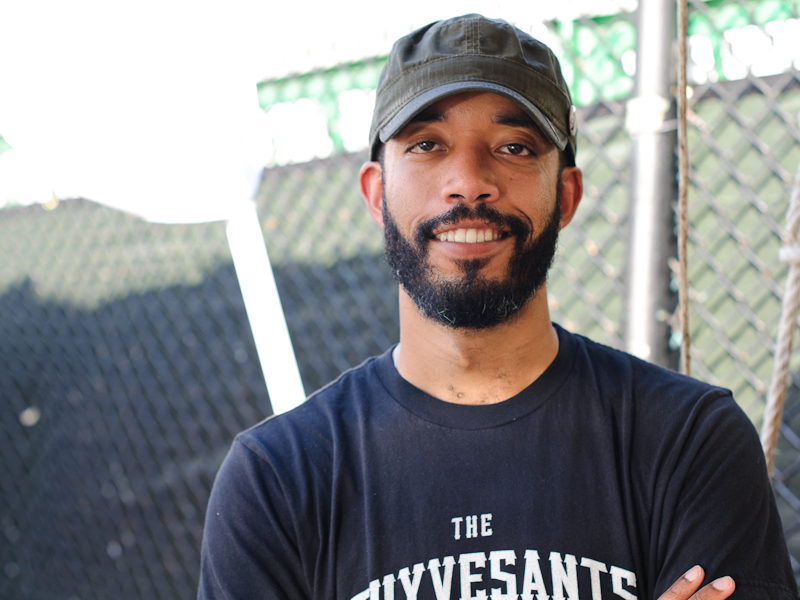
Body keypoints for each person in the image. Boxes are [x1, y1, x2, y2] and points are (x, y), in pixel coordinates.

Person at [198, 14, 799, 600]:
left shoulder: (688, 442)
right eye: (428, 144)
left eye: (513, 146)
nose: (468, 181)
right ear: (377, 194)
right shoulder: (276, 480)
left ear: (564, 196)